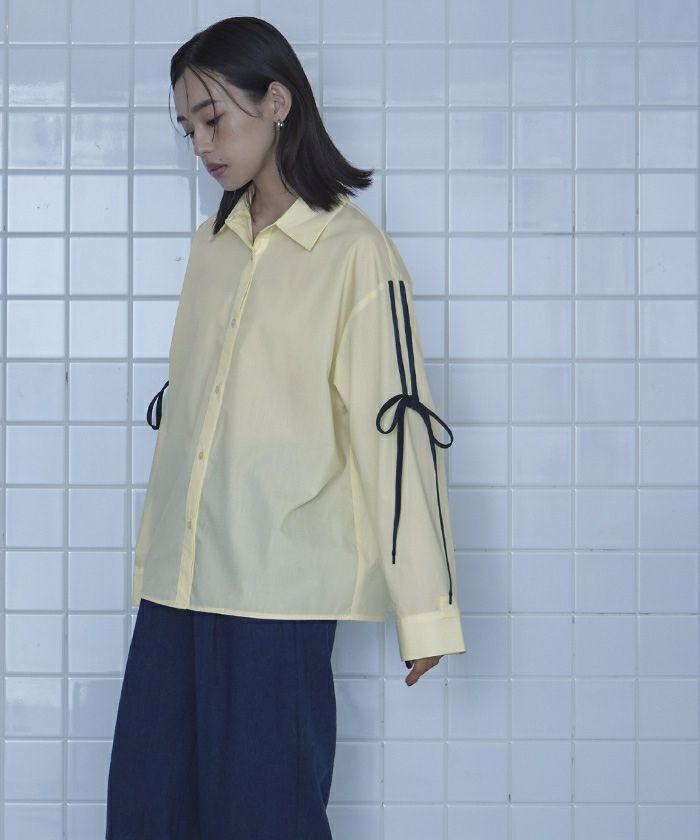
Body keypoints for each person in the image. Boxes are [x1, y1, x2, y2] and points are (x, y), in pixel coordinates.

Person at [105, 15, 466, 840]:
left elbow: (397, 436)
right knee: (145, 812)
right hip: (176, 587)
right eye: (188, 127)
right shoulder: (212, 246)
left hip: (276, 597)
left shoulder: (356, 255)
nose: (202, 144)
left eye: (213, 118)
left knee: (264, 819)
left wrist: (426, 607)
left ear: (277, 102)